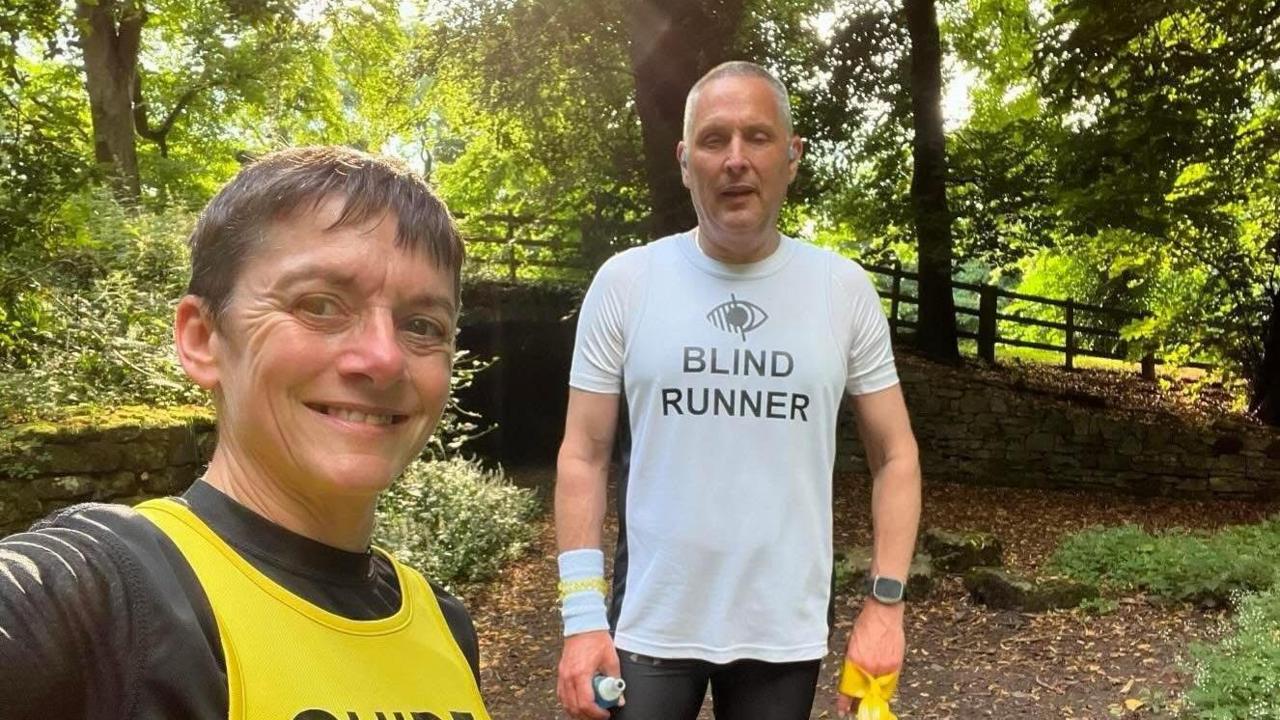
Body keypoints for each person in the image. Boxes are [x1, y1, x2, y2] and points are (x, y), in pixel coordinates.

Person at [0, 146, 491, 720]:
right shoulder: (103, 592)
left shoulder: (445, 624)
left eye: (422, 326)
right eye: (319, 305)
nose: (383, 358)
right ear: (204, 339)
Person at [553, 62, 922, 720]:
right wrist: (582, 618)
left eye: (757, 136)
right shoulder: (627, 283)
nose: (735, 159)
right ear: (684, 160)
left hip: (782, 632)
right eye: (714, 139)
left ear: (792, 156)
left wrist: (885, 607)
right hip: (650, 624)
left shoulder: (842, 292)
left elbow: (896, 456)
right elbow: (582, 453)